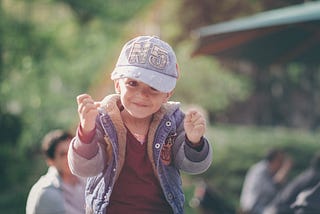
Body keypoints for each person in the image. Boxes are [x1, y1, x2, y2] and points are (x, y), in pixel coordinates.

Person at [67, 35, 213, 214]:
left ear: (168, 93)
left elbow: (193, 165)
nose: (142, 95)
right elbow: (84, 168)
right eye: (132, 83)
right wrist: (86, 132)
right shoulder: (101, 120)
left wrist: (194, 141)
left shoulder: (175, 121)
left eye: (154, 87)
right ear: (118, 85)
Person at [26, 130, 86, 214]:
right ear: (51, 161)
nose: (70, 156)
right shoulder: (46, 191)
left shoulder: (86, 180)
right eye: (63, 154)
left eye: (72, 150)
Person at [239, 148, 292, 214]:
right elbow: (268, 191)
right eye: (280, 161)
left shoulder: (274, 173)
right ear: (273, 160)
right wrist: (283, 172)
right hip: (253, 207)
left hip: (265, 207)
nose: (281, 164)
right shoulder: (259, 170)